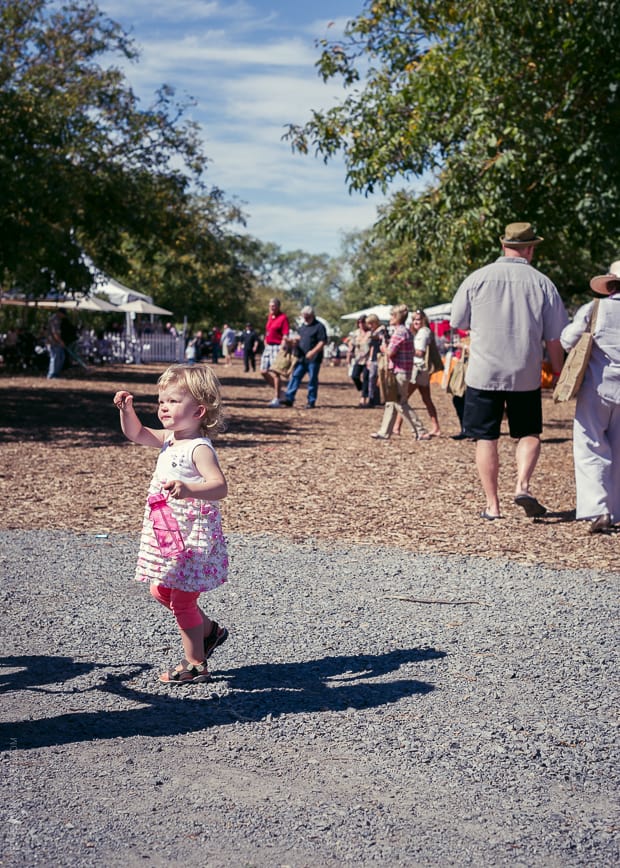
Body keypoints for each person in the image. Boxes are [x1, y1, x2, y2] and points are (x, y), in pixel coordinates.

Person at [113, 363, 230, 684]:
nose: (164, 406)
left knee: (182, 599)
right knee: (159, 588)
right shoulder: (170, 438)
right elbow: (136, 433)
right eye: (162, 400)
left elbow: (220, 486)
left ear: (199, 411)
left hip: (191, 536)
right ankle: (208, 632)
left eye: (173, 401)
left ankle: (195, 663)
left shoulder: (198, 448)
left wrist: (189, 488)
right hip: (167, 533)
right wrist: (127, 410)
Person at [450, 221, 568, 520]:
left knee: (486, 437)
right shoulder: (543, 283)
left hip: (484, 372)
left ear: (503, 245)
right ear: (530, 249)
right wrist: (558, 372)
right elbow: (555, 337)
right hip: (524, 373)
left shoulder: (477, 278)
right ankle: (522, 485)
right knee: (528, 433)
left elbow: (458, 322)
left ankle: (492, 506)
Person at [560, 261, 620, 534]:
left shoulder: (595, 308)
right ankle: (616, 509)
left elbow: (566, 340)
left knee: (590, 446)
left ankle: (599, 509)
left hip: (597, 388)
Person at [370, 304, 430, 440]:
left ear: (397, 317)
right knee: (391, 402)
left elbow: (390, 352)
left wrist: (384, 348)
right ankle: (384, 432)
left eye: (392, 315)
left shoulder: (400, 332)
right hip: (403, 371)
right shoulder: (406, 331)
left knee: (399, 402)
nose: (390, 318)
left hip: (400, 372)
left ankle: (421, 431)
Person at [393, 309, 441, 436]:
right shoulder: (424, 332)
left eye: (418, 319)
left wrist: (406, 350)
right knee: (426, 399)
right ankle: (435, 427)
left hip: (417, 369)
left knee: (402, 399)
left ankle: (398, 427)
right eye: (414, 319)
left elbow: (420, 352)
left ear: (423, 320)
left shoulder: (423, 333)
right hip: (422, 369)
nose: (416, 321)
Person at [281, 306, 328, 409]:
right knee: (295, 377)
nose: (305, 318)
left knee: (312, 380)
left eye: (306, 316)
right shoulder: (302, 327)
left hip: (314, 359)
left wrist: (313, 352)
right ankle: (289, 398)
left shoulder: (319, 327)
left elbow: (322, 341)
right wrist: (292, 342)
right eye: (303, 316)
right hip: (301, 358)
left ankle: (311, 401)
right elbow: (300, 338)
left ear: (312, 315)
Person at [261, 297, 290, 407]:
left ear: (278, 307)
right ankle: (281, 393)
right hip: (268, 346)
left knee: (275, 373)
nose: (271, 308)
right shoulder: (270, 317)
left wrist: (283, 346)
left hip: (277, 347)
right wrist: (265, 341)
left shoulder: (283, 318)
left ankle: (277, 398)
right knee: (263, 371)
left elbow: (285, 334)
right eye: (270, 306)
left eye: (273, 306)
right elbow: (268, 331)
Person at [346, 316, 371, 406]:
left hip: (367, 359)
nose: (361, 324)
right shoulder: (355, 333)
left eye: (363, 322)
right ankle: (362, 389)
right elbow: (351, 345)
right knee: (354, 376)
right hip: (358, 359)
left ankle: (363, 398)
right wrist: (348, 355)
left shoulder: (370, 333)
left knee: (366, 378)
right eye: (359, 322)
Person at [365, 314, 386, 406]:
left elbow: (383, 341)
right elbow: (372, 347)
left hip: (381, 357)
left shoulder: (382, 330)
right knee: (372, 378)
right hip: (374, 357)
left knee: (381, 379)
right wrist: (369, 358)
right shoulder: (373, 332)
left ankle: (383, 398)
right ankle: (372, 398)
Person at [46, 308, 68, 378]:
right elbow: (55, 333)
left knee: (61, 357)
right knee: (55, 358)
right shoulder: (55, 319)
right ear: (59, 313)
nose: (63, 316)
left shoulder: (58, 319)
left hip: (57, 342)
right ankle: (51, 375)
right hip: (53, 342)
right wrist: (60, 341)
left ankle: (56, 374)